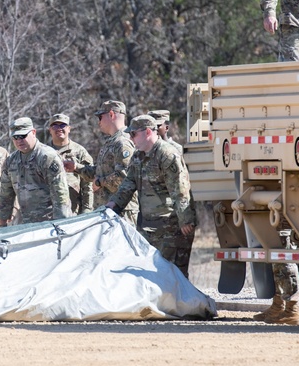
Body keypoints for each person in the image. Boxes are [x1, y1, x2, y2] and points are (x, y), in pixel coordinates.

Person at [106, 115, 195, 276]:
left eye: (133, 134)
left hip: (172, 228)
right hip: (149, 228)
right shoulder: (138, 156)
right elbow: (128, 184)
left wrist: (185, 220)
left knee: (174, 277)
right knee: (151, 276)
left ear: (147, 132)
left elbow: (180, 189)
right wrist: (113, 205)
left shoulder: (166, 154)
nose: (130, 138)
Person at [66, 100, 138, 226]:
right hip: (108, 210)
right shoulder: (112, 141)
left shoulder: (123, 143)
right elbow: (100, 172)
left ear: (111, 115)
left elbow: (125, 177)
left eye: (100, 117)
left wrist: (100, 182)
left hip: (121, 212)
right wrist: (76, 167)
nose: (98, 122)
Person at [0, 117, 72, 225]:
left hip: (49, 222)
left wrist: (60, 225)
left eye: (23, 136)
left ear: (33, 132)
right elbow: (6, 194)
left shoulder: (47, 157)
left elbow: (60, 195)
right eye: (15, 137)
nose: (19, 140)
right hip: (24, 223)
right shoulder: (11, 161)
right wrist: (2, 222)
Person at [45, 113, 94, 215]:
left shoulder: (80, 151)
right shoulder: (44, 152)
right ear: (50, 130)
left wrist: (87, 210)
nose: (59, 128)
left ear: (69, 129)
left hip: (73, 211)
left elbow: (87, 184)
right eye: (55, 126)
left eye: (62, 125)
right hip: (49, 212)